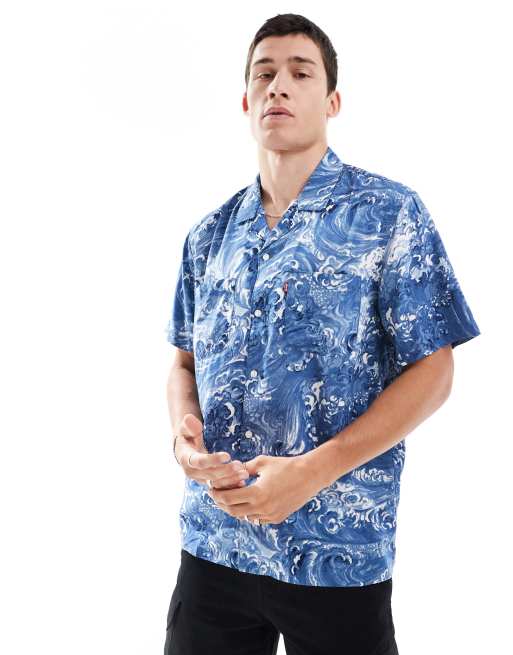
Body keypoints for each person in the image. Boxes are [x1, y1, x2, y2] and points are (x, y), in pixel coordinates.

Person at [163, 13, 481, 655]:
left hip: (337, 553)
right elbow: (183, 364)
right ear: (246, 102)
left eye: (300, 73)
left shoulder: (389, 214)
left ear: (332, 101)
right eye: (263, 74)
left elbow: (435, 369)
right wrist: (182, 438)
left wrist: (313, 472)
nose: (278, 86)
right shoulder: (209, 236)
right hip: (215, 546)